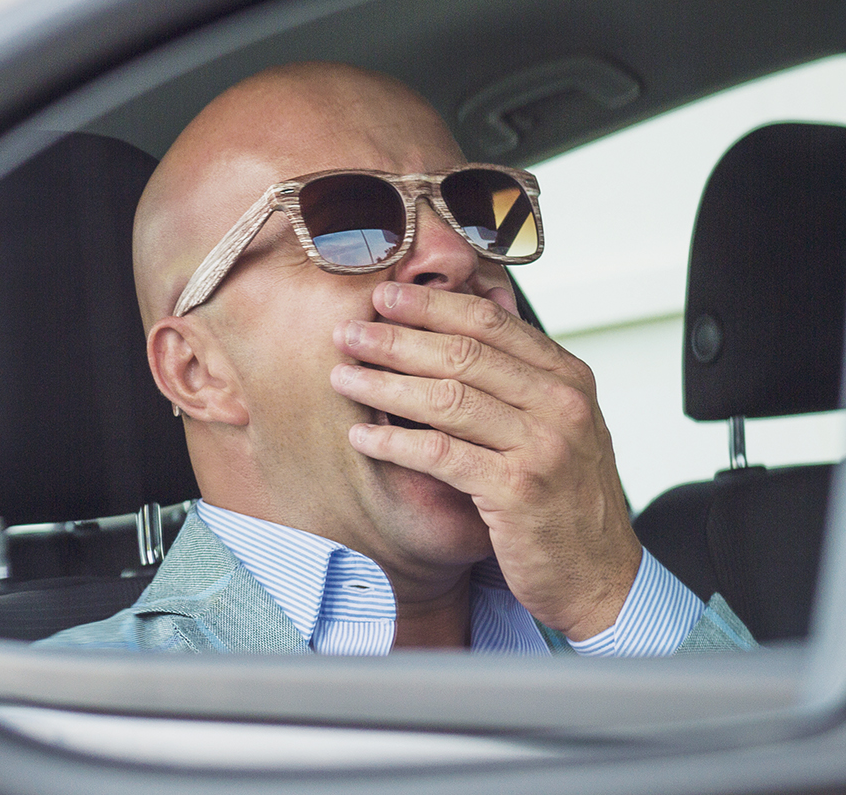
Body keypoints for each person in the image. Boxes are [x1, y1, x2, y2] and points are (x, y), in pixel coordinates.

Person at [39, 61, 755, 656]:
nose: (455, 255)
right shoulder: (65, 717)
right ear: (199, 372)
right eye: (349, 222)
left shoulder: (622, 622)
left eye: (473, 210)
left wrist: (612, 595)